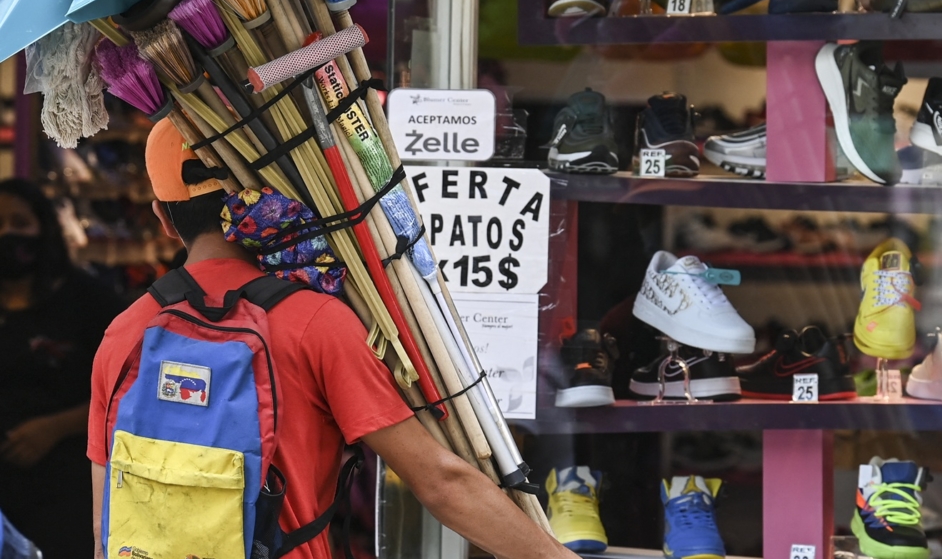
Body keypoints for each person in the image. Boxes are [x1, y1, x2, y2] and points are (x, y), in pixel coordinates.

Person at [89, 120, 577, 559]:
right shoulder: (314, 321)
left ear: (162, 216)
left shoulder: (124, 333)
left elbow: (104, 523)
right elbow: (441, 483)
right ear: (270, 196)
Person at [0, 179, 123, 559]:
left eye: (20, 223)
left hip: (69, 489)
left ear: (45, 228)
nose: (6, 234)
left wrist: (54, 428)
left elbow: (127, 390)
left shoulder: (89, 302)